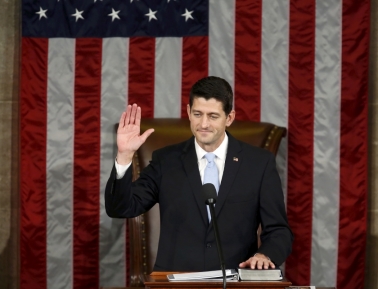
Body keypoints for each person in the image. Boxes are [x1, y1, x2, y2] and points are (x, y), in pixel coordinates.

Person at [105, 76, 293, 271]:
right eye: (197, 114)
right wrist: (124, 156)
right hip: (175, 288)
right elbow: (121, 208)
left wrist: (264, 255)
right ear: (188, 112)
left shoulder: (258, 163)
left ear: (229, 118)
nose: (203, 124)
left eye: (213, 116)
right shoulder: (167, 160)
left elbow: (279, 231)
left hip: (235, 286)